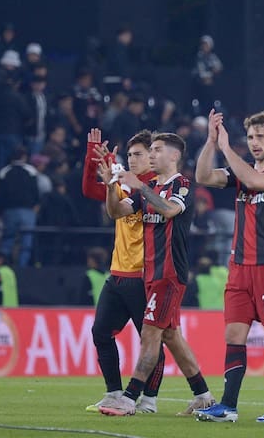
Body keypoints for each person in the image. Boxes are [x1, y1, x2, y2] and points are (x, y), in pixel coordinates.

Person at [193, 110, 264, 423]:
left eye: (261, 136)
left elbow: (255, 180)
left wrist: (228, 148)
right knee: (234, 335)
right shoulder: (239, 172)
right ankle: (228, 405)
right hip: (240, 266)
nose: (254, 142)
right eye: (251, 137)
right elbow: (203, 177)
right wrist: (212, 142)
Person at [96, 133, 215, 416]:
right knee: (171, 336)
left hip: (170, 274)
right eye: (150, 150)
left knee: (150, 334)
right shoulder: (146, 187)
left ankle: (130, 397)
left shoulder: (182, 185)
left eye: (157, 150)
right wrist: (112, 186)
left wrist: (139, 186)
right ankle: (203, 396)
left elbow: (171, 209)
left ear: (174, 156)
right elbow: (117, 212)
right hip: (150, 274)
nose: (151, 155)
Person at [81, 128, 165, 413]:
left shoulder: (156, 187)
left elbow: (134, 192)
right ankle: (114, 393)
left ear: (153, 157)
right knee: (100, 332)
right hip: (118, 272)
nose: (132, 159)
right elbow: (90, 190)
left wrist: (114, 170)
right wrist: (94, 161)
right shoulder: (125, 182)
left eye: (138, 154)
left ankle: (149, 399)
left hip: (143, 275)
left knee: (151, 341)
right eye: (129, 155)